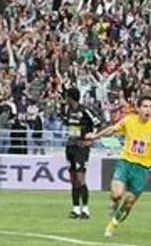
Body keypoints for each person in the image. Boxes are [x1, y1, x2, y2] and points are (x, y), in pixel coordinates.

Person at [85, 93, 151, 237]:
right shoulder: (129, 121)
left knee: (128, 203)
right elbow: (112, 130)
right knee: (117, 193)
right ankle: (114, 202)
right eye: (145, 106)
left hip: (142, 169)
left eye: (150, 107)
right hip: (125, 163)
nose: (148, 110)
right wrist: (95, 136)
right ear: (138, 108)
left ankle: (113, 224)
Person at [62, 88, 102, 219]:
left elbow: (98, 123)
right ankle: (75, 209)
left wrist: (91, 139)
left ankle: (85, 209)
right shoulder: (68, 111)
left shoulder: (85, 110)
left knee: (80, 178)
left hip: (81, 148)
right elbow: (71, 128)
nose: (65, 99)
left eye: (67, 97)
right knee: (73, 179)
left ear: (71, 97)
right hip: (71, 146)